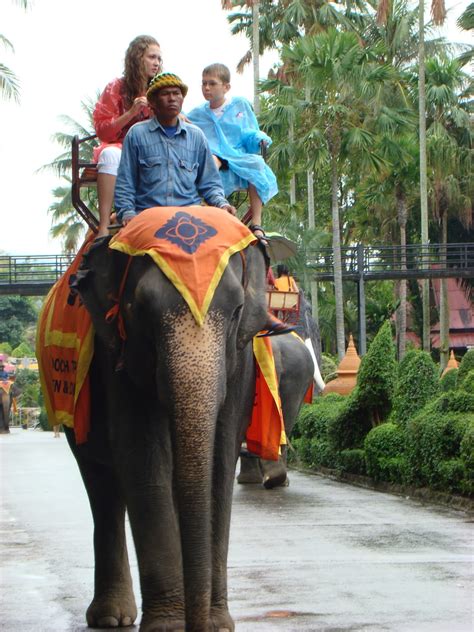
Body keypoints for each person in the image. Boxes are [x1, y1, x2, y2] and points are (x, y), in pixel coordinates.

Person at [114, 72, 236, 224]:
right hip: (149, 216)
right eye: (165, 94)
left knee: (230, 238)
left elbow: (210, 183)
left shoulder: (196, 136)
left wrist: (222, 204)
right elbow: (125, 183)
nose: (172, 98)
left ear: (182, 99)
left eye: (176, 93)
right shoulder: (136, 134)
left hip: (191, 217)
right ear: (152, 101)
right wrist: (127, 213)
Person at [187, 63, 278, 243]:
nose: (206, 88)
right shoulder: (197, 114)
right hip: (214, 155)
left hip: (238, 155)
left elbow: (250, 132)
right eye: (203, 83)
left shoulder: (240, 105)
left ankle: (257, 223)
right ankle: (214, 208)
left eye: (212, 84)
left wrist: (259, 138)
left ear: (226, 87)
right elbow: (186, 125)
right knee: (211, 162)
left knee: (258, 164)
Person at [93, 35, 163, 237]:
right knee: (108, 156)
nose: (156, 63)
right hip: (121, 148)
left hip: (154, 149)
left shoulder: (160, 89)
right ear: (137, 58)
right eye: (152, 57)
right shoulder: (116, 88)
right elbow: (103, 131)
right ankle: (104, 226)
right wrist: (131, 113)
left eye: (159, 59)